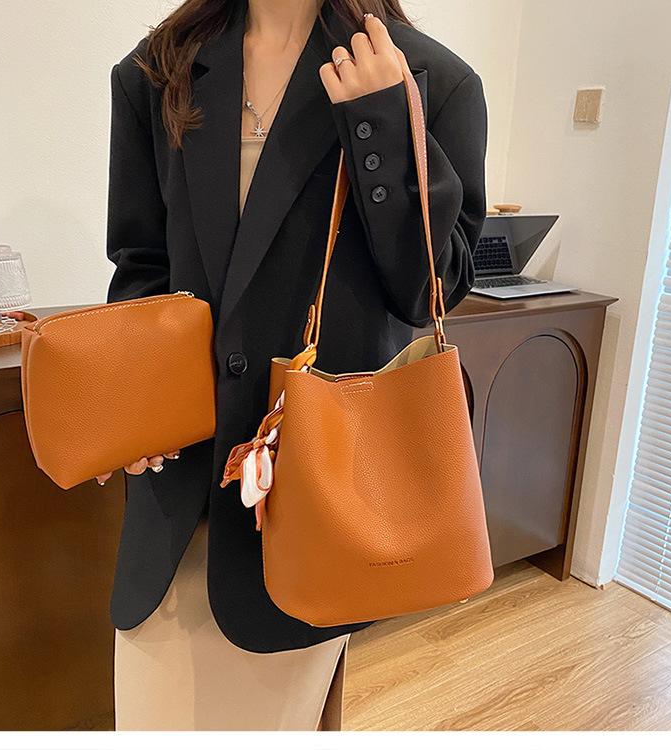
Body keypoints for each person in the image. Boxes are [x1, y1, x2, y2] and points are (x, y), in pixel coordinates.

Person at [100, 0, 486, 731]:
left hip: (314, 507)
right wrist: (138, 399)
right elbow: (141, 265)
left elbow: (431, 289)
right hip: (178, 496)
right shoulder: (158, 70)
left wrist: (378, 123)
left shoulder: (428, 78)